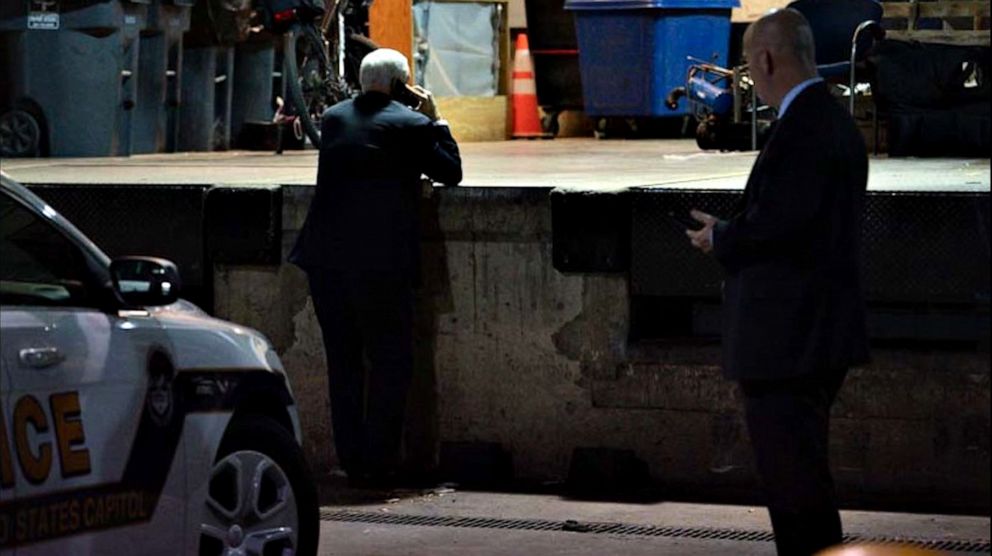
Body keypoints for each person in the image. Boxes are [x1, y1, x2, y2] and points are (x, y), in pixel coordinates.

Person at [685, 9, 869, 556]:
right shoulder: (832, 120)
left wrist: (722, 239)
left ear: (765, 59)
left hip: (788, 340)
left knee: (794, 488)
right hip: (814, 331)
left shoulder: (802, 129)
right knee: (804, 477)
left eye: (748, 62)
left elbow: (778, 228)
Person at [289, 48, 462, 485]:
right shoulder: (413, 124)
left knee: (343, 361)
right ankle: (380, 462)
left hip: (325, 259)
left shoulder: (332, 118)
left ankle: (351, 459)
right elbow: (451, 171)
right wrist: (436, 116)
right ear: (403, 84)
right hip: (380, 263)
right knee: (390, 361)